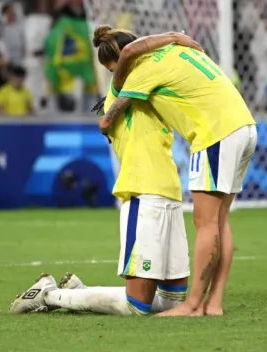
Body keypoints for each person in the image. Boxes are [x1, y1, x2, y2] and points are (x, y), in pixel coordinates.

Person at [10, 31, 202, 315]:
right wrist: (173, 37)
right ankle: (49, 295)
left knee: (171, 303)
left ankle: (79, 293)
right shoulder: (124, 85)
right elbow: (130, 56)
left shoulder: (145, 84)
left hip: (170, 194)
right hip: (144, 192)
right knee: (136, 307)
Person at [96, 26, 257, 316]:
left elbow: (110, 117)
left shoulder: (142, 67)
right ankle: (214, 303)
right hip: (244, 127)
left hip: (215, 133)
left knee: (205, 222)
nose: (116, 74)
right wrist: (173, 38)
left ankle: (193, 304)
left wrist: (107, 121)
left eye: (114, 67)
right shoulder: (177, 52)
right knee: (220, 222)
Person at [1, 2, 25, 67]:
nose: (12, 14)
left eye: (13, 12)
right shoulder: (2, 28)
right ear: (5, 14)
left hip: (18, 58)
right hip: (6, 58)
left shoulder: (19, 26)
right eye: (9, 12)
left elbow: (23, 41)